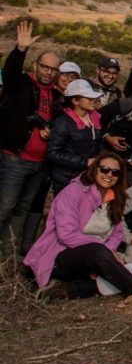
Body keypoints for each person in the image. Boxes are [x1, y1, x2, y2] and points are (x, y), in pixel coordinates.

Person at [24, 153, 132, 303]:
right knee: (100, 255)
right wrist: (104, 251)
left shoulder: (115, 199)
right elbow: (66, 235)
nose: (109, 175)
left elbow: (117, 234)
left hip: (94, 258)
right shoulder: (74, 192)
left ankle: (68, 290)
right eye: (104, 169)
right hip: (58, 257)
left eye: (115, 172)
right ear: (95, 169)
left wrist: (106, 255)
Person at [0, 21, 61, 256]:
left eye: (53, 69)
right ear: (36, 66)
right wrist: (20, 50)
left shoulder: (56, 95)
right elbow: (10, 74)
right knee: (5, 206)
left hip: (39, 163)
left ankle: (7, 253)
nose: (48, 72)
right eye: (45, 67)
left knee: (23, 209)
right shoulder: (23, 84)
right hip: (15, 158)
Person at [46, 79, 105, 195]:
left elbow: (98, 144)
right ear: (75, 100)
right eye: (89, 98)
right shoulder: (63, 122)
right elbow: (53, 153)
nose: (93, 100)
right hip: (66, 180)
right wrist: (85, 162)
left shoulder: (94, 120)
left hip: (87, 177)